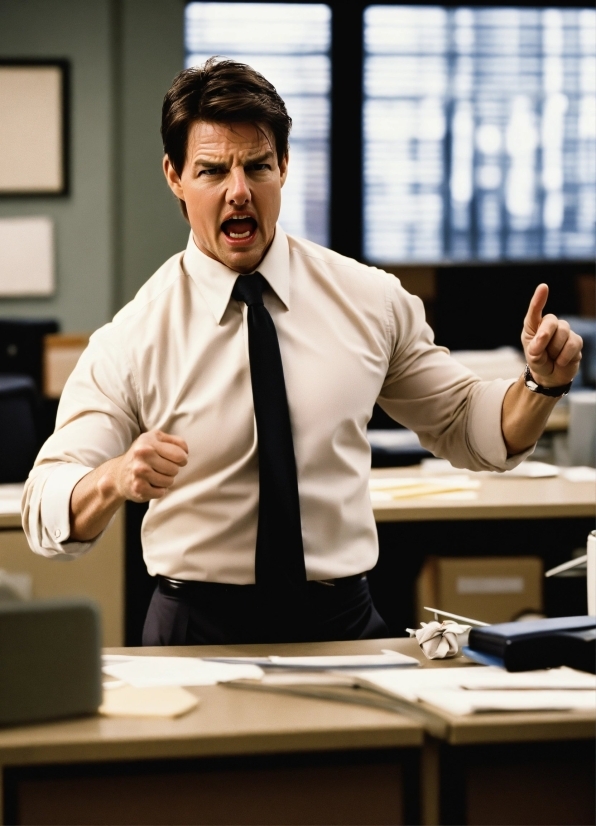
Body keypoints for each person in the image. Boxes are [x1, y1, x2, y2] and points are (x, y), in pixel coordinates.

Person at [23, 59, 582, 646]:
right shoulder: (135, 335)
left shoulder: (369, 300)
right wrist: (113, 479)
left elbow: (470, 425)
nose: (239, 192)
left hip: (343, 623)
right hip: (195, 633)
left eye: (257, 167)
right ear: (174, 176)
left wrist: (540, 385)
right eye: (212, 171)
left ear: (284, 167)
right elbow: (44, 504)